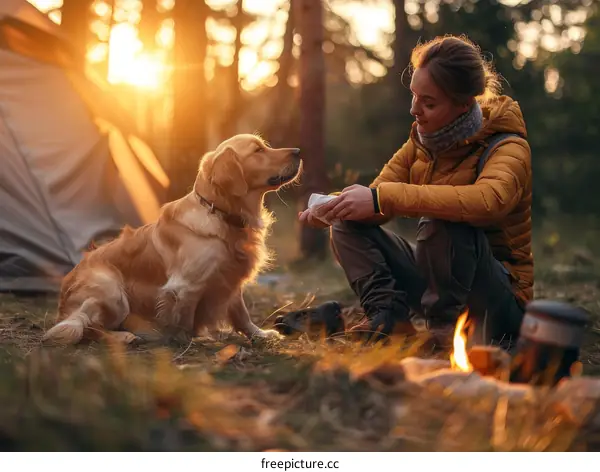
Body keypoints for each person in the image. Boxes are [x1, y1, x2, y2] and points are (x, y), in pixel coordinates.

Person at [298, 35, 532, 347]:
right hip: (440, 284)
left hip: (500, 303)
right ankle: (389, 317)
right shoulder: (421, 142)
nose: (414, 110)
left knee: (444, 219)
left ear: (464, 104)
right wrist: (336, 207)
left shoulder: (508, 147)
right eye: (414, 96)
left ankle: (444, 333)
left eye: (429, 102)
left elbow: (487, 202)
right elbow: (378, 197)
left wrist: (382, 198)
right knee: (348, 221)